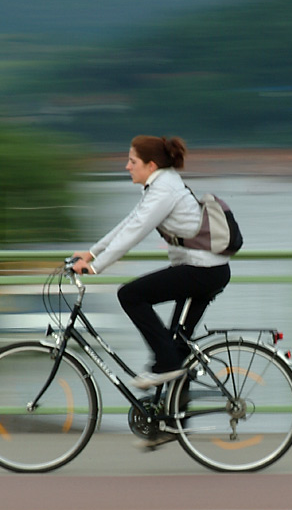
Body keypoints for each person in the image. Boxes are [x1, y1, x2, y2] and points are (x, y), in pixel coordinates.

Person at [72, 135, 231, 391]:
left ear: (151, 166)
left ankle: (166, 365)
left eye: (132, 161)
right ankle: (173, 425)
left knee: (130, 295)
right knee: (177, 350)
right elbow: (130, 222)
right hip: (203, 270)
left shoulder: (164, 191)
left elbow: (135, 231)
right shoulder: (161, 186)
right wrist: (92, 253)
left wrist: (95, 267)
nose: (127, 166)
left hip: (203, 271)